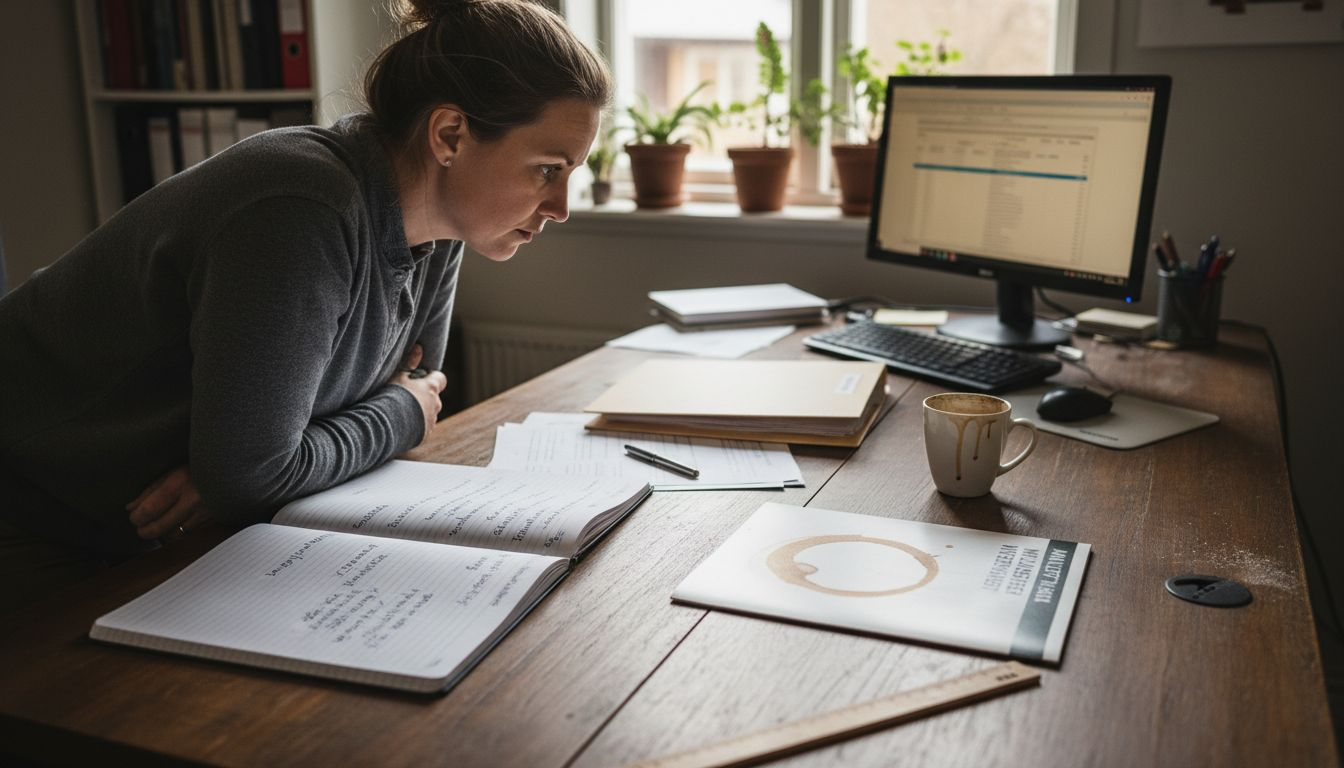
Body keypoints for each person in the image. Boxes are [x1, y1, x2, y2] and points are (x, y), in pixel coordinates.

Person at [0, 0, 610, 601]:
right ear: (449, 135)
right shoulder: (302, 210)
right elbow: (368, 421)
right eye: (546, 169)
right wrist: (395, 417)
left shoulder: (443, 225)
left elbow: (417, 376)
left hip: (151, 529)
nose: (560, 207)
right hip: (35, 510)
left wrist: (253, 462)